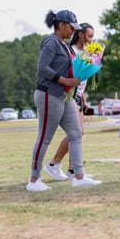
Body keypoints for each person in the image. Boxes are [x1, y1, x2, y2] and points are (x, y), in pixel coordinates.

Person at [26, 10, 101, 191]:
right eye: (71, 27)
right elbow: (42, 67)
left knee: (75, 133)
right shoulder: (51, 42)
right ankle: (33, 180)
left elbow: (74, 65)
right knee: (45, 138)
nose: (73, 32)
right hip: (48, 94)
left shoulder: (66, 45)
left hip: (64, 96)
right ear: (61, 25)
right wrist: (64, 80)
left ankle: (79, 176)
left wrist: (90, 63)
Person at [43, 23, 97, 181]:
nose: (91, 39)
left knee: (79, 133)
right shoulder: (70, 51)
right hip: (68, 95)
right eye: (89, 36)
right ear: (80, 34)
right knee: (76, 133)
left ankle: (73, 170)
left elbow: (82, 81)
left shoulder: (86, 52)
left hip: (78, 96)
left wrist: (84, 100)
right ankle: (53, 163)